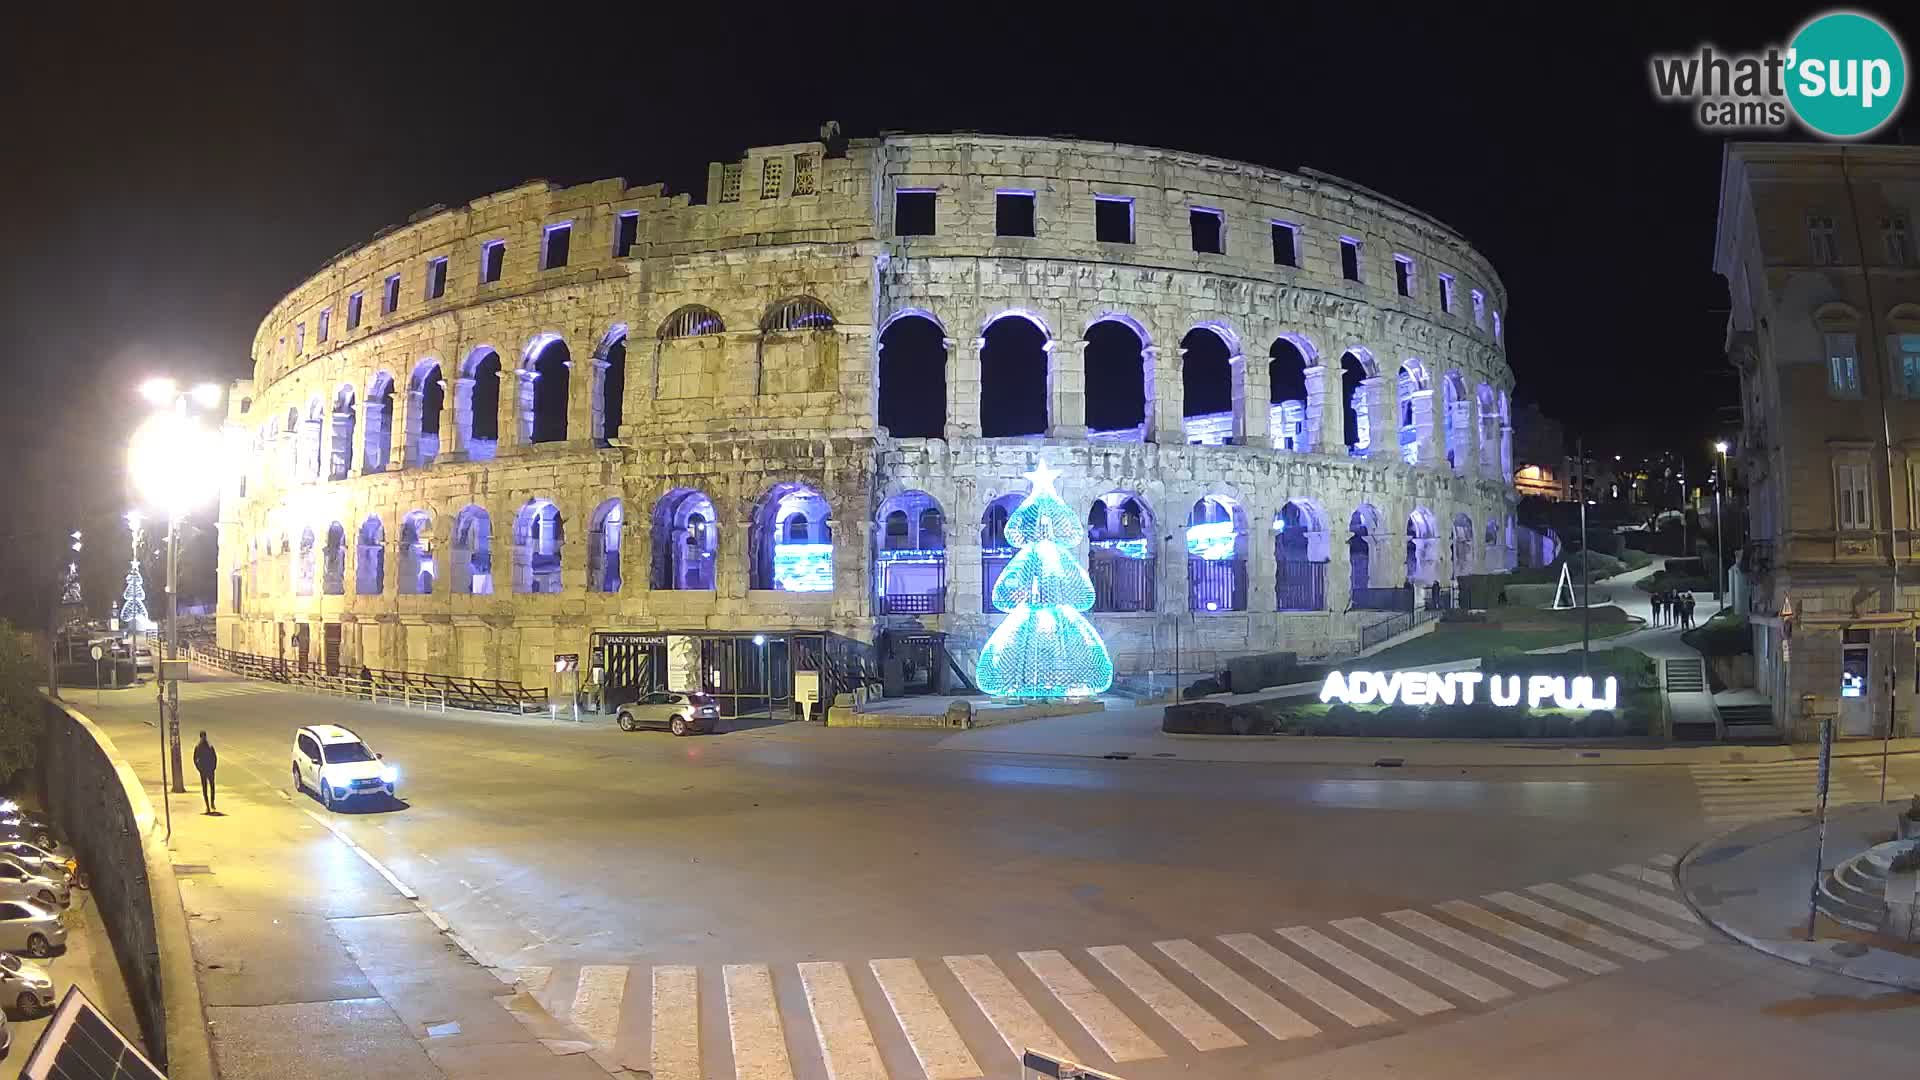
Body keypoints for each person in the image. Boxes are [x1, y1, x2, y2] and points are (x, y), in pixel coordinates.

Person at [193, 731, 218, 813]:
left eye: (204, 736)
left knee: (212, 787)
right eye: (203, 737)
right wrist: (199, 768)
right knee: (205, 789)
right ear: (201, 737)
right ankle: (207, 805)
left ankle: (212, 802)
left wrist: (213, 767)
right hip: (203, 770)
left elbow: (215, 758)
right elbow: (195, 759)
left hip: (210, 770)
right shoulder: (198, 747)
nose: (204, 738)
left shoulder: (210, 747)